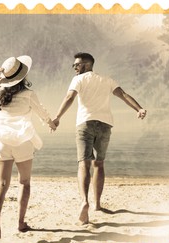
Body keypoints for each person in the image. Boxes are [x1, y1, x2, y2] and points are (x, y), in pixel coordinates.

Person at [53, 52, 147, 225]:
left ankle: (84, 202)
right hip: (105, 125)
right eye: (74, 65)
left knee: (84, 163)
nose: (74, 67)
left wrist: (57, 117)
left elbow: (69, 98)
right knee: (99, 164)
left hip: (85, 124)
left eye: (77, 64)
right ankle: (97, 204)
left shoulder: (79, 80)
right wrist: (139, 108)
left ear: (87, 65)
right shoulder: (107, 80)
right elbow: (124, 95)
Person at [0, 55, 56, 240]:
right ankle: (21, 222)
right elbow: (42, 112)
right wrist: (51, 123)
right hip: (22, 142)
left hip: (1, 143)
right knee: (24, 183)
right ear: (23, 76)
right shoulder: (29, 94)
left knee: (1, 184)